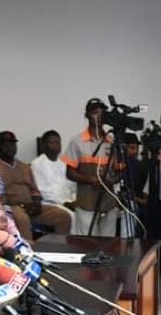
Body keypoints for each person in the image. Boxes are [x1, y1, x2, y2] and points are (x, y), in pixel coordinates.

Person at [0, 131, 71, 239]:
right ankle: (29, 252)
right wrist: (21, 205)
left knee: (63, 216)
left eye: (12, 144)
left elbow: (34, 189)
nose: (10, 147)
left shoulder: (24, 166)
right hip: (11, 207)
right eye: (6, 144)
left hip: (31, 206)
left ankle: (58, 249)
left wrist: (36, 202)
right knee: (22, 219)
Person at [63, 98, 116, 236]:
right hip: (87, 202)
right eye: (95, 112)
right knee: (87, 245)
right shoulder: (77, 141)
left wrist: (111, 179)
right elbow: (70, 173)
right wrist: (91, 179)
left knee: (109, 245)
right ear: (87, 115)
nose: (98, 116)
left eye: (102, 113)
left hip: (109, 202)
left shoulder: (112, 141)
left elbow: (119, 172)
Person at [30, 130, 75, 214]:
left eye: (58, 142)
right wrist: (64, 203)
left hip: (68, 201)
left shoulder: (64, 162)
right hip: (50, 203)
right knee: (71, 216)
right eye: (52, 142)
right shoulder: (37, 164)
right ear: (43, 145)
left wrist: (75, 200)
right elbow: (43, 191)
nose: (56, 145)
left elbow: (71, 184)